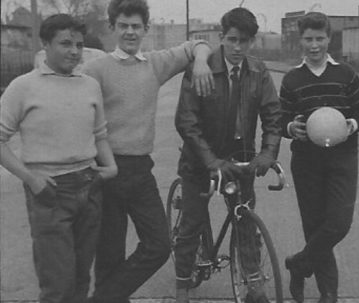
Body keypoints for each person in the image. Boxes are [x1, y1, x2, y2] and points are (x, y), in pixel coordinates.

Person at [81, 0, 214, 302]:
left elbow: (198, 44)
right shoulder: (95, 69)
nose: (130, 32)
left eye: (136, 26)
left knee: (158, 245)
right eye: (124, 26)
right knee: (109, 254)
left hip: (141, 171)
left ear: (145, 29)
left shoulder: (155, 63)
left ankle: (102, 298)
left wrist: (202, 60)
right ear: (112, 27)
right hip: (105, 168)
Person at [0, 14, 117, 303]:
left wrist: (111, 166)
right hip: (49, 191)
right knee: (57, 286)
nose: (74, 52)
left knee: (80, 279)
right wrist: (30, 178)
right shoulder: (22, 87)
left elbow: (100, 134)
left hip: (89, 187)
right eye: (65, 44)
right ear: (46, 44)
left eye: (78, 45)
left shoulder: (89, 85)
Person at [173, 7, 282, 303]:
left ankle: (253, 284)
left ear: (252, 42)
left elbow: (273, 115)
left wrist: (267, 153)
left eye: (244, 41)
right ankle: (183, 284)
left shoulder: (258, 71)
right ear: (221, 37)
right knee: (191, 224)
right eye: (232, 39)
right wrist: (210, 161)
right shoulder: (202, 68)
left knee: (245, 222)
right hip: (200, 162)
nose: (237, 47)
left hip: (239, 160)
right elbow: (186, 122)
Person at [279, 12, 359, 303]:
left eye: (320, 38)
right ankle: (328, 294)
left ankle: (299, 263)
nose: (314, 45)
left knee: (338, 223)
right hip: (307, 162)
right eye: (308, 39)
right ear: (301, 40)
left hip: (342, 157)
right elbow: (279, 118)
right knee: (315, 225)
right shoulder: (292, 79)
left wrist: (352, 125)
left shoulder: (345, 75)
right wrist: (290, 128)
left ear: (329, 39)